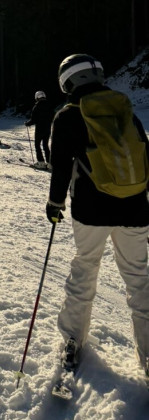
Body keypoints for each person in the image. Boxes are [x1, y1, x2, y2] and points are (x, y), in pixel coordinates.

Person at [46, 53, 149, 386]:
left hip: (91, 212)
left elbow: (61, 167)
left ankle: (72, 340)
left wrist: (55, 203)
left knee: (85, 269)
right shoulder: (125, 110)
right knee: (139, 280)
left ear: (67, 82)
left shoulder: (68, 116)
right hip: (135, 209)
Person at [26, 90, 53, 168]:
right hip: (48, 128)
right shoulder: (49, 106)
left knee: (37, 145)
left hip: (40, 129)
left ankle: (41, 162)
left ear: (37, 97)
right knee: (45, 145)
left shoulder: (37, 107)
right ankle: (49, 163)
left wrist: (27, 123)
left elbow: (33, 119)